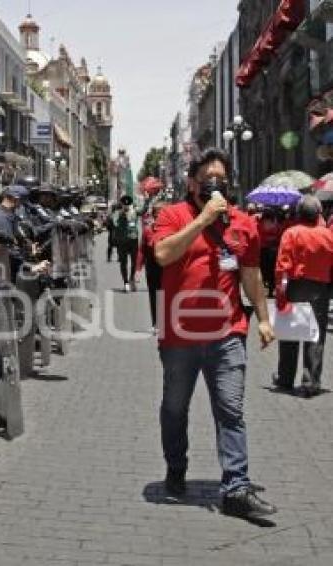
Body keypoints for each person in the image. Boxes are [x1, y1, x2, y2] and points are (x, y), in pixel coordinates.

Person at [153, 148, 276, 519]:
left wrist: (265, 319)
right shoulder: (171, 215)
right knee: (175, 409)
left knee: (231, 410)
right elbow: (162, 254)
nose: (215, 184)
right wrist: (202, 221)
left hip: (228, 333)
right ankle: (176, 468)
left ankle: (236, 487)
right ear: (191, 182)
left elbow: (251, 273)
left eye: (221, 178)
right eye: (208, 178)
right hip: (178, 336)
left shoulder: (243, 223)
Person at [272, 195, 333, 397]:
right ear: (318, 214)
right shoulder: (328, 235)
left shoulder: (291, 233)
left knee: (290, 333)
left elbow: (282, 267)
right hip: (320, 289)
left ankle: (285, 378)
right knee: (315, 335)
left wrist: (280, 295)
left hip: (296, 287)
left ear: (299, 213)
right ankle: (311, 381)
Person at [140, 200, 167, 331]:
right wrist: (138, 268)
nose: (158, 216)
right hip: (152, 266)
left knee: (167, 294)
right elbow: (142, 249)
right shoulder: (148, 230)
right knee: (154, 295)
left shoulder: (172, 229)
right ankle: (156, 323)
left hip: (167, 266)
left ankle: (165, 321)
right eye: (157, 213)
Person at [112, 195, 143, 292]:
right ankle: (125, 282)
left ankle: (131, 279)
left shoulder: (134, 212)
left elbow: (143, 211)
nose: (126, 206)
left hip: (133, 240)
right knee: (123, 262)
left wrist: (147, 199)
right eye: (124, 204)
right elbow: (114, 223)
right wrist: (122, 214)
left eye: (128, 204)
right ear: (121, 204)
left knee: (134, 262)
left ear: (130, 204)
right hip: (122, 241)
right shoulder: (118, 213)